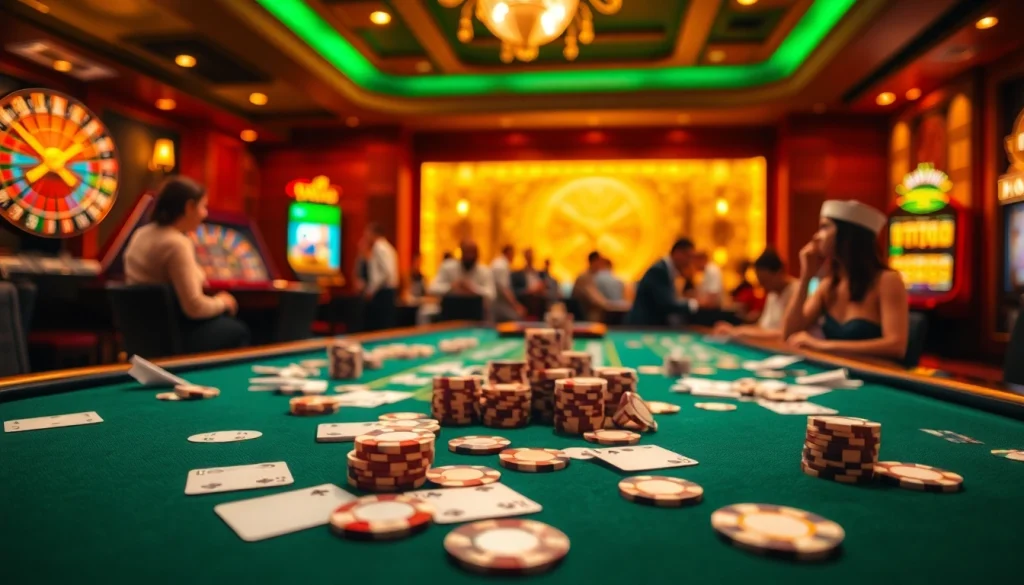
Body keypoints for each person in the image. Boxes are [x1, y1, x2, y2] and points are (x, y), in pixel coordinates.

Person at [124, 176, 249, 353]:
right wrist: (223, 302)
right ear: (189, 207)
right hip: (173, 338)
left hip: (143, 337)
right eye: (203, 206)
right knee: (238, 329)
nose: (205, 214)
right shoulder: (176, 243)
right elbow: (194, 307)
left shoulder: (141, 234)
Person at [782, 200, 909, 360]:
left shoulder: (887, 280)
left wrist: (821, 346)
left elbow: (896, 346)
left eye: (824, 227)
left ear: (847, 235)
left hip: (877, 376)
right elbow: (789, 334)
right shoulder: (828, 285)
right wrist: (805, 277)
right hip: (837, 374)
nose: (816, 236)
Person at [714, 249, 797, 341]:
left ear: (779, 272)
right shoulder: (772, 293)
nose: (763, 287)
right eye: (760, 282)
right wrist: (735, 330)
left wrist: (740, 332)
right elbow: (763, 327)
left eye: (765, 281)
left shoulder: (798, 290)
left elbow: (787, 333)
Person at [626, 238, 697, 326]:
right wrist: (695, 304)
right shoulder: (659, 270)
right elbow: (666, 304)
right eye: (688, 256)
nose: (690, 261)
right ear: (678, 253)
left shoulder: (666, 269)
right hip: (642, 326)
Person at [425, 240, 496, 320]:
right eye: (467, 252)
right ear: (461, 252)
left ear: (477, 254)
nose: (469, 256)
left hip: (476, 317)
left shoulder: (484, 271)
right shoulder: (447, 267)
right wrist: (452, 287)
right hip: (449, 316)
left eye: (472, 252)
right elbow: (432, 288)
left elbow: (491, 295)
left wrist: (472, 289)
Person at [362, 222, 398, 331]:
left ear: (374, 233)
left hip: (382, 293)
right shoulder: (388, 247)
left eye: (367, 232)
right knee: (386, 325)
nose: (366, 235)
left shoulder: (379, 247)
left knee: (379, 327)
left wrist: (371, 290)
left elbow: (386, 272)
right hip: (388, 292)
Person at [572, 251, 612, 322]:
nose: (601, 265)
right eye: (600, 262)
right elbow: (595, 298)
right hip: (584, 316)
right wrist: (611, 306)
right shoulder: (585, 277)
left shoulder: (594, 276)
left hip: (586, 313)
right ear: (594, 262)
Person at [490, 244, 525, 322]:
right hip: (498, 304)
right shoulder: (501, 266)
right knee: (516, 318)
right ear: (508, 253)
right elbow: (504, 290)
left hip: (497, 303)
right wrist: (516, 306)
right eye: (513, 254)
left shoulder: (498, 262)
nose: (513, 257)